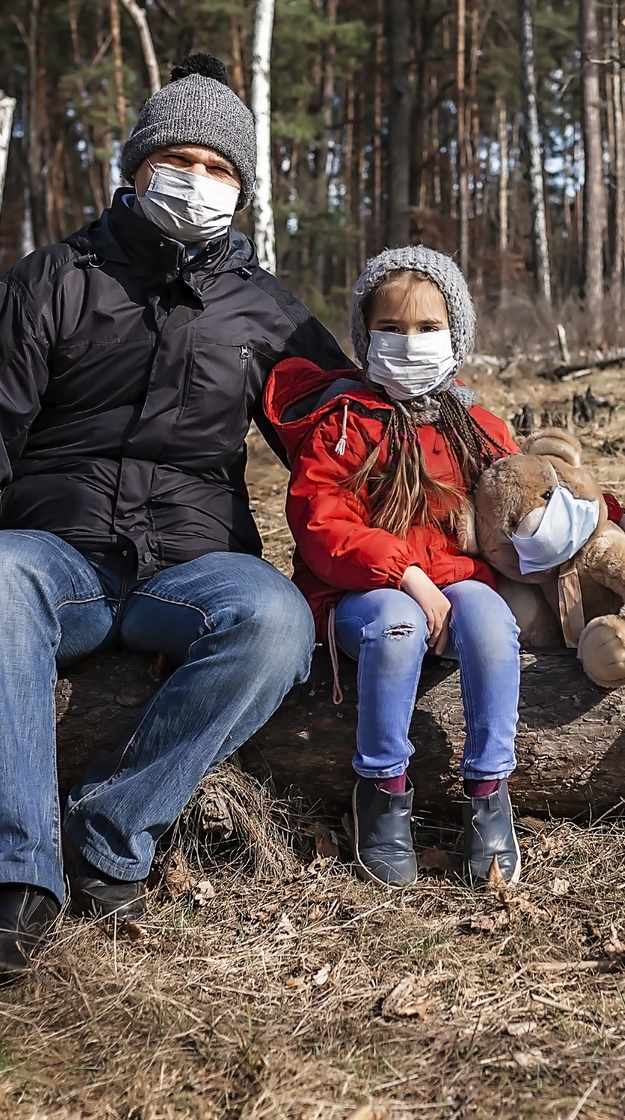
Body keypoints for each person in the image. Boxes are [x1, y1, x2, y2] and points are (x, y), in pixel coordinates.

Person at [0, 55, 351, 977]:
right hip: (58, 560)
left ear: (244, 189)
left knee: (273, 619)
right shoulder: (51, 283)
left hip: (190, 567)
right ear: (135, 168)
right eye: (177, 159)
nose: (197, 181)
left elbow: (351, 445)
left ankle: (107, 834)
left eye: (220, 167)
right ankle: (10, 887)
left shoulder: (267, 314)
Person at [263, 247, 529, 886]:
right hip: (361, 595)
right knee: (397, 625)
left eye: (427, 328)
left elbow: (529, 488)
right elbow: (324, 525)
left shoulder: (477, 427)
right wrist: (408, 576)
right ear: (364, 337)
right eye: (392, 329)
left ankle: (489, 791)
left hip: (457, 584)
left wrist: (605, 516)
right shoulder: (344, 425)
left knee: (495, 629)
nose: (410, 344)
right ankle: (382, 790)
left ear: (455, 335)